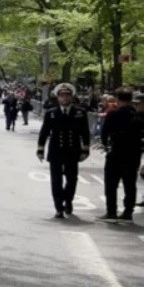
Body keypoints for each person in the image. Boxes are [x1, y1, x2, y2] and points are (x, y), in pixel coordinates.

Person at [37, 83, 90, 219]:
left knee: (72, 180)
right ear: (58, 97)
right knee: (56, 181)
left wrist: (85, 150)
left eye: (67, 95)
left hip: (73, 150)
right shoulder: (51, 113)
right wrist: (40, 149)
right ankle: (58, 207)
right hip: (56, 150)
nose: (65, 98)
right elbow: (44, 132)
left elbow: (85, 132)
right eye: (62, 95)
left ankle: (68, 200)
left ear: (71, 97)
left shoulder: (79, 112)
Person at [97, 88, 143, 223]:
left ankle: (111, 212)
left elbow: (104, 133)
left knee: (111, 184)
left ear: (117, 99)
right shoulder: (137, 115)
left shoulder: (113, 114)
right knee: (130, 185)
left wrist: (106, 145)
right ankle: (128, 213)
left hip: (116, 152)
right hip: (133, 154)